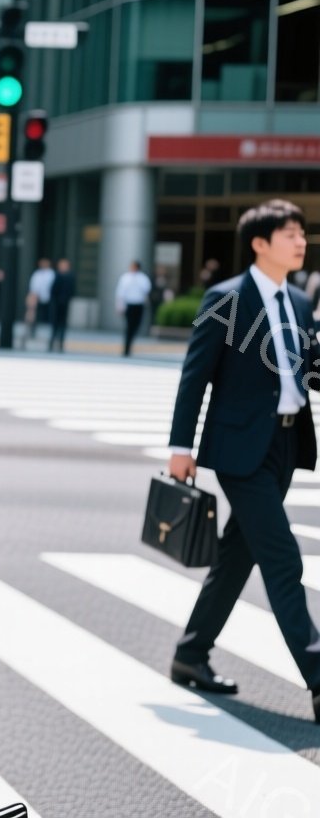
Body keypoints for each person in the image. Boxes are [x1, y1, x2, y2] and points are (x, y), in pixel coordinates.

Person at [167, 199, 320, 723]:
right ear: (259, 243)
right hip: (239, 451)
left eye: (301, 233)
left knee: (237, 556)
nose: (300, 241)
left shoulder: (299, 301)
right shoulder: (225, 299)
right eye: (290, 233)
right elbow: (195, 377)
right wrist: (180, 447)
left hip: (286, 447)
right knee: (282, 558)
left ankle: (191, 654)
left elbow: (307, 370)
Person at [115, 260, 153, 357]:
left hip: (139, 304)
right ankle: (127, 348)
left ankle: (129, 344)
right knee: (129, 326)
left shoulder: (143, 278)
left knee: (136, 325)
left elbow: (146, 290)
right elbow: (120, 292)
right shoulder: (125, 277)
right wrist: (120, 305)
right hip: (129, 304)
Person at [48, 257, 76, 352]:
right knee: (54, 324)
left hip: (65, 303)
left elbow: (71, 290)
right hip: (56, 303)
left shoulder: (70, 277)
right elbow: (52, 290)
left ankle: (61, 343)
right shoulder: (56, 275)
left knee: (63, 324)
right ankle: (52, 342)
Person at [25, 258, 54, 346]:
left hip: (48, 297)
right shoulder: (37, 274)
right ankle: (30, 328)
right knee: (32, 312)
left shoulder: (51, 274)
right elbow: (34, 286)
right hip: (36, 296)